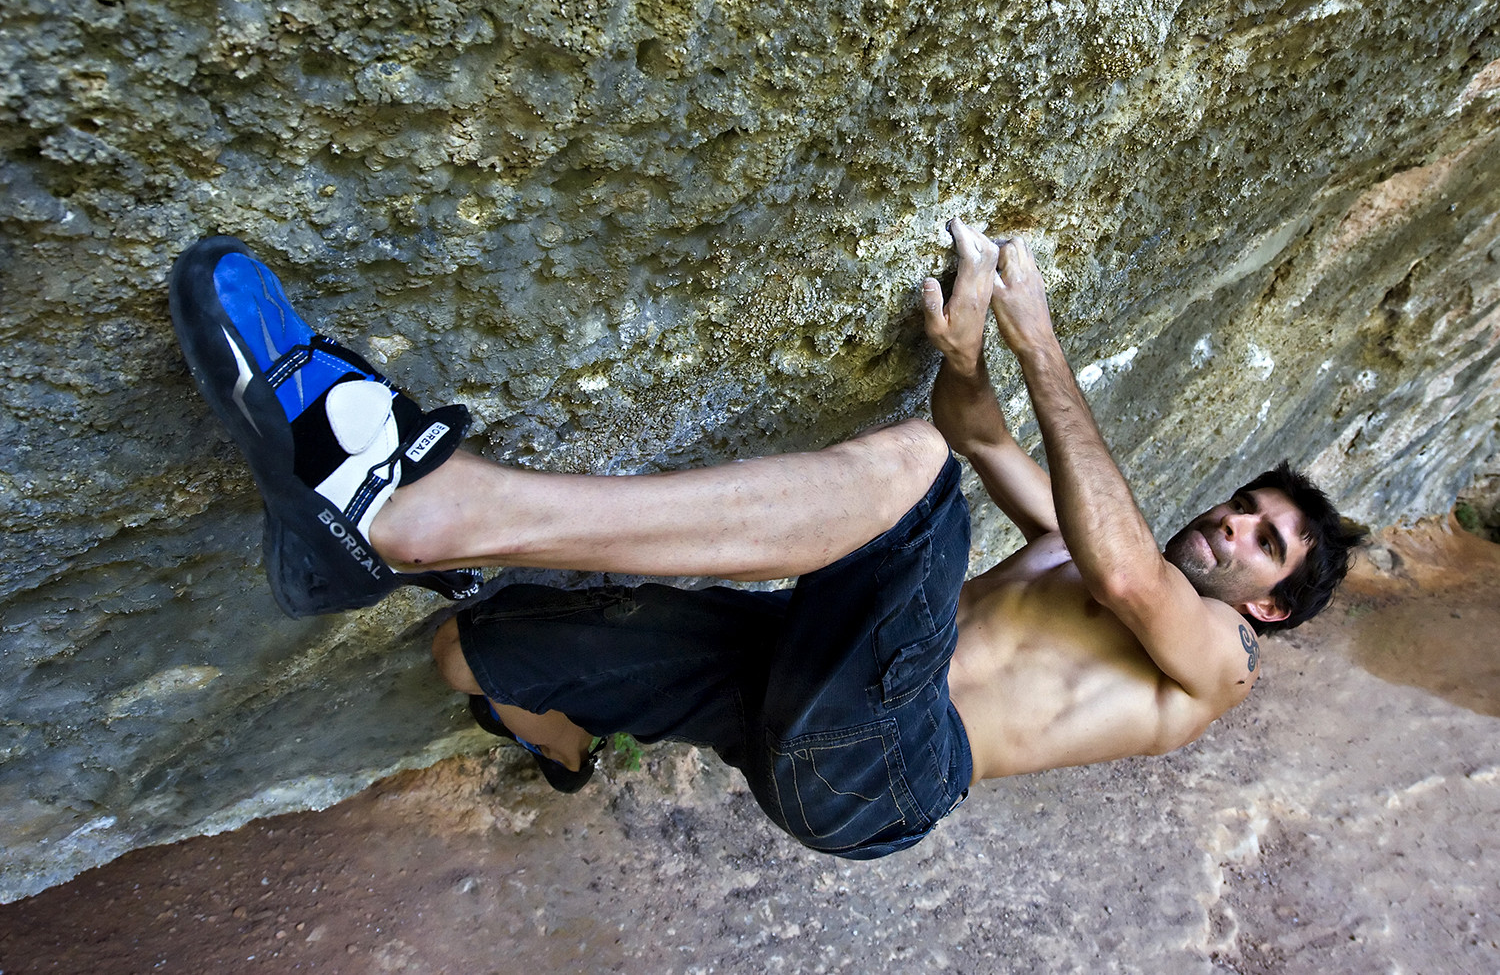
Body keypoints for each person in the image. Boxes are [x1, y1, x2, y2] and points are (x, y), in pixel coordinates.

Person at [170, 219, 1360, 859]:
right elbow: (980, 430)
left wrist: (1040, 338)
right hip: (797, 685)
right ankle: (560, 742)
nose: (1235, 525)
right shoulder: (1091, 541)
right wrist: (965, 354)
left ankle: (426, 510)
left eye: (1266, 543)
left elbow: (1125, 572)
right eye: (1245, 506)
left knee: (913, 469)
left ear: (1268, 604)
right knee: (472, 650)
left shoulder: (1219, 663)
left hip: (885, 772)